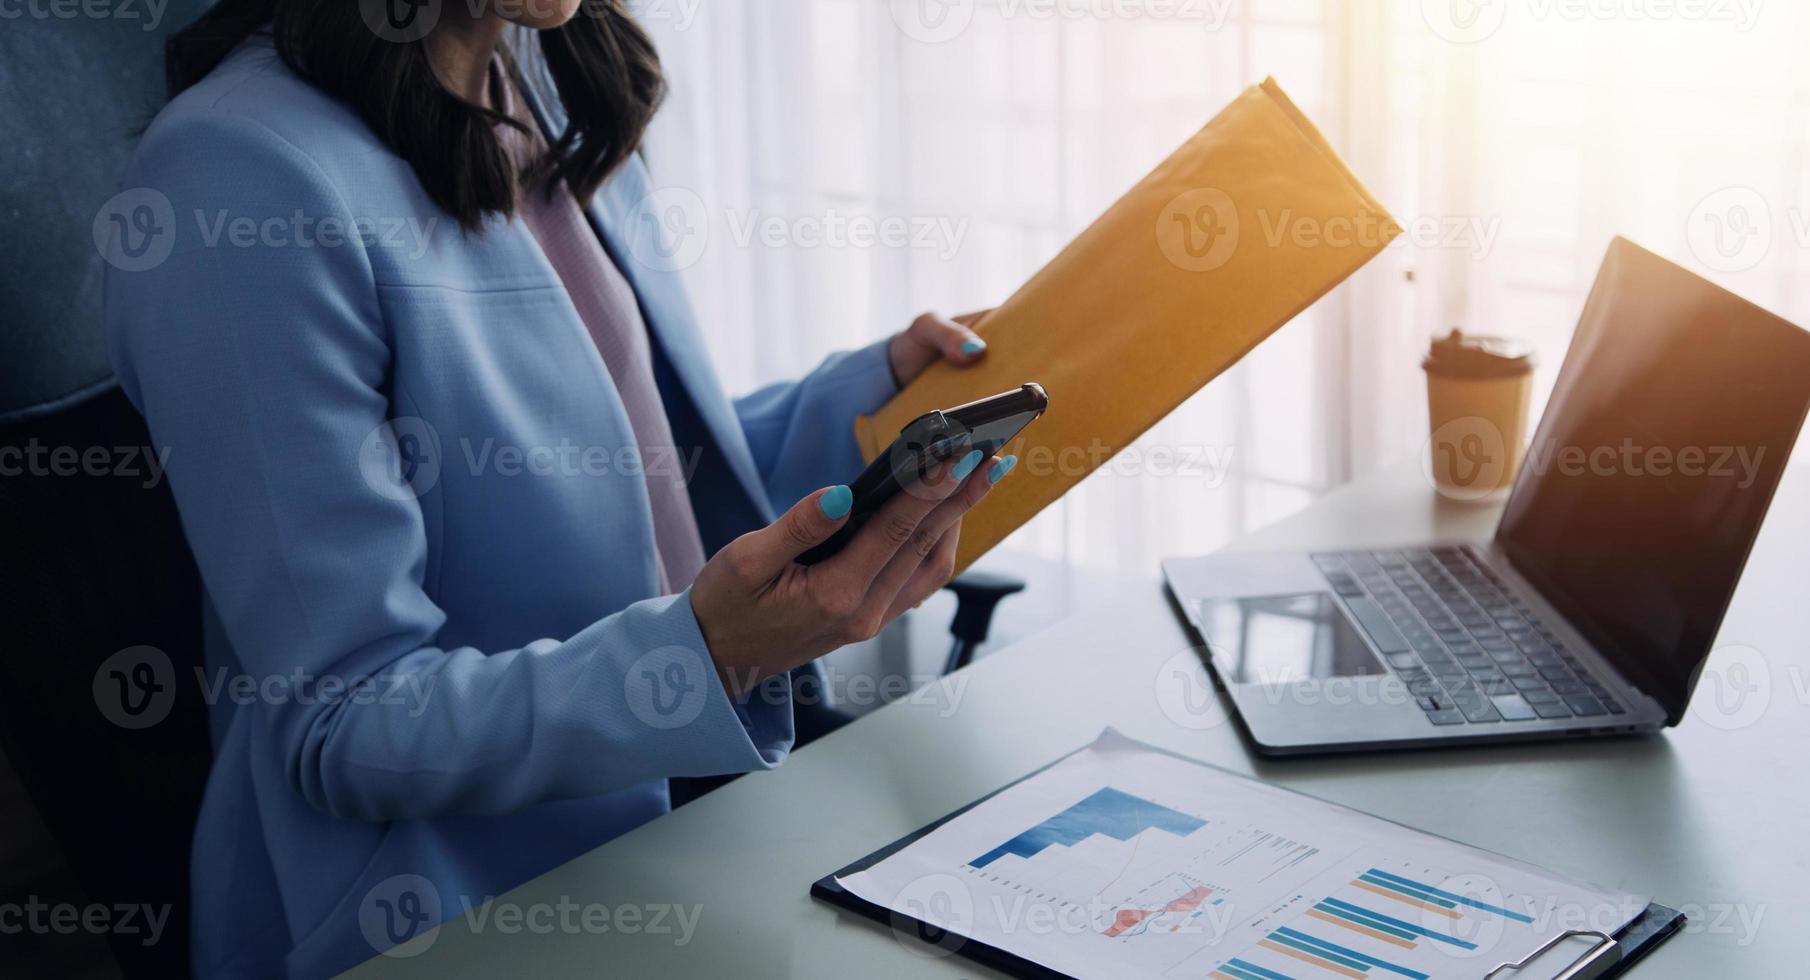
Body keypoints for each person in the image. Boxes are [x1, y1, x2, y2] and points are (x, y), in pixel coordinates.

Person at [104, 1, 1014, 975]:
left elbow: (619, 479)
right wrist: (702, 656)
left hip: (683, 822)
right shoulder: (235, 174)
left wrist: (868, 414)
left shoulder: (536, 82)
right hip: (452, 909)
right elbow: (344, 720)